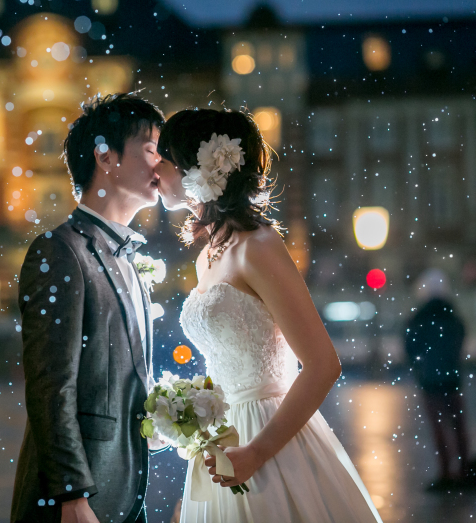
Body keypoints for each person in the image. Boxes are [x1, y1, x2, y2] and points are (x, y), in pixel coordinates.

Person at [154, 108, 382, 522]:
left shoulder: (258, 246)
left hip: (268, 436)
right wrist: (189, 410)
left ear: (196, 168)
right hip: (223, 439)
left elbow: (322, 365)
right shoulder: (209, 255)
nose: (154, 170)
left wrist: (257, 452)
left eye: (163, 159)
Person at [11, 93, 167, 523]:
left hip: (125, 493)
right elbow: (50, 386)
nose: (162, 164)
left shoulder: (133, 265)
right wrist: (72, 495)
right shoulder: (59, 251)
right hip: (76, 503)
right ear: (105, 156)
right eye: (152, 150)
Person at [404, 269, 468, 489]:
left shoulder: (419, 318)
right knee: (458, 425)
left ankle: (446, 472)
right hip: (452, 379)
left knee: (439, 427)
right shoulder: (452, 316)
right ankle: (463, 470)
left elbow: (410, 346)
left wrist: (421, 367)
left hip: (430, 381)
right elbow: (460, 338)